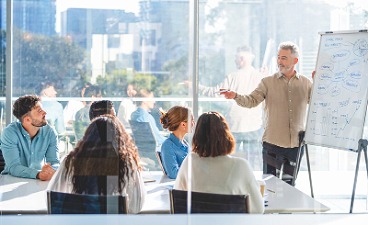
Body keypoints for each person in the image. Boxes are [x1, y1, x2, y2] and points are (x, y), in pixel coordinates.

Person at [221, 41, 313, 184]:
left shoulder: (306, 83)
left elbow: (318, 103)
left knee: (290, 185)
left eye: (284, 58)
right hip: (272, 144)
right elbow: (251, 100)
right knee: (270, 186)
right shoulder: (267, 82)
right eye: (278, 57)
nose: (279, 61)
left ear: (295, 60)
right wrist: (235, 96)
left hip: (295, 146)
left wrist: (319, 83)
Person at [47, 115, 146, 214]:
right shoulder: (128, 163)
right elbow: (136, 206)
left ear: (87, 137)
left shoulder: (70, 161)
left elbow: (53, 200)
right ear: (118, 139)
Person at [174, 111, 264, 214]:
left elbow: (178, 200)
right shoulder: (241, 165)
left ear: (197, 136)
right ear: (225, 135)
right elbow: (258, 209)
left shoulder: (189, 162)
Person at [197, 46, 265, 167]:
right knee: (254, 162)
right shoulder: (260, 76)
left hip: (236, 126)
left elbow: (216, 92)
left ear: (242, 59)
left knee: (231, 160)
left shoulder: (234, 76)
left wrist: (197, 87)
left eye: (235, 58)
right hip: (254, 126)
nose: (234, 61)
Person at [0, 95, 59, 180]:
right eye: (39, 111)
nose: (45, 113)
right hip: (12, 180)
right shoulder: (10, 133)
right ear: (27, 120)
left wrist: (51, 170)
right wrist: (38, 174)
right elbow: (13, 167)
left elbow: (54, 163)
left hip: (38, 181)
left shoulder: (50, 132)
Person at [159, 106, 193, 179]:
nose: (193, 123)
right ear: (183, 124)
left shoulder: (185, 144)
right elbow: (173, 173)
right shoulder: (167, 146)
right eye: (192, 120)